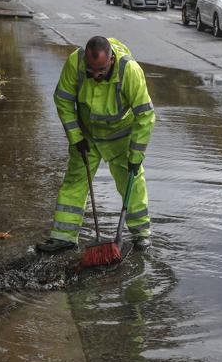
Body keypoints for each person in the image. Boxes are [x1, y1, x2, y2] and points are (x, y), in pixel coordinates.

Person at [37, 35, 155, 253]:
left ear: (110, 60)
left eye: (100, 71)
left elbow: (145, 114)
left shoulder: (129, 70)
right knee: (75, 182)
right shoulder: (76, 62)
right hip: (87, 135)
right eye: (91, 71)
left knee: (132, 183)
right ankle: (64, 236)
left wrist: (135, 156)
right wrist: (76, 138)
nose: (96, 76)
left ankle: (141, 235)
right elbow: (63, 99)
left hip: (120, 136)